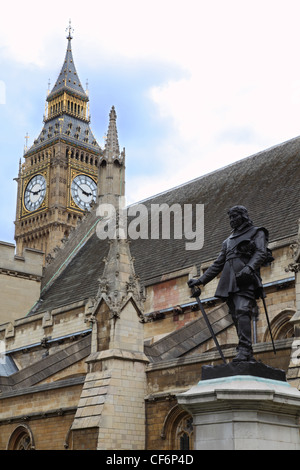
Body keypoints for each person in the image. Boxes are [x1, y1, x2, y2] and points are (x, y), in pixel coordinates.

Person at [188, 205, 272, 362]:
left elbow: (261, 252)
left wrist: (249, 268)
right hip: (229, 281)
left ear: (243, 216)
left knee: (242, 309)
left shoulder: (257, 232)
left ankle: (246, 349)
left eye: (235, 216)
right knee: (235, 315)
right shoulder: (227, 241)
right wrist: (200, 280)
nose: (232, 220)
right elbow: (217, 264)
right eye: (230, 218)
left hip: (245, 279)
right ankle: (244, 349)